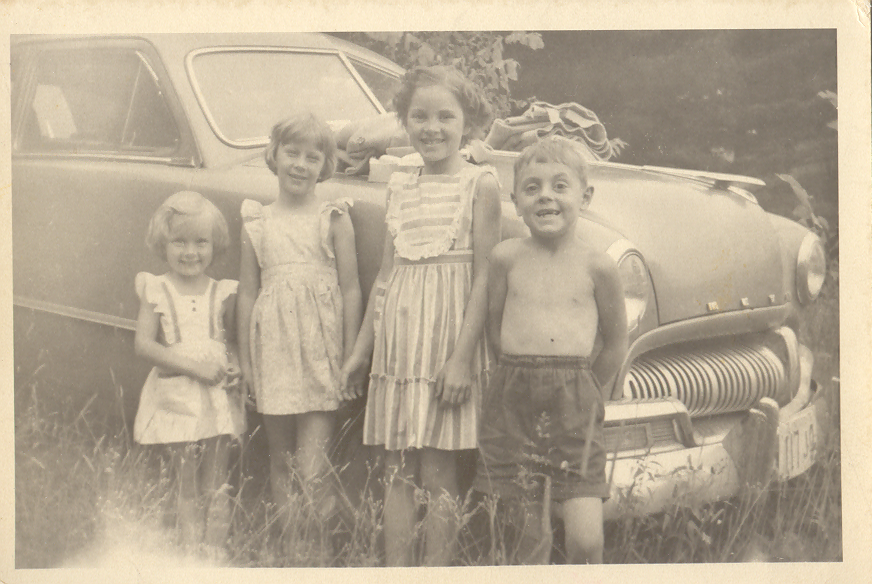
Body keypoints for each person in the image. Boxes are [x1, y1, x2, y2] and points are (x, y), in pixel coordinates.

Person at [339, 65, 501, 566]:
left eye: (445, 117)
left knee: (438, 472)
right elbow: (386, 276)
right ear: (404, 122)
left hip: (447, 343)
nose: (432, 127)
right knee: (396, 469)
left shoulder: (481, 184)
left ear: (467, 124)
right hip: (399, 344)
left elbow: (484, 279)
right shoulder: (400, 183)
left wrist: (461, 360)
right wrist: (360, 351)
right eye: (419, 116)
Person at [472, 136, 629, 564]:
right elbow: (494, 328)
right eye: (532, 187)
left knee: (585, 539)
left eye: (560, 185)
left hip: (575, 399)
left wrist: (587, 388)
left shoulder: (598, 265)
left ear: (586, 196)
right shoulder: (505, 258)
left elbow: (616, 342)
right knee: (526, 536)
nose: (546, 196)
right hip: (513, 395)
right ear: (516, 200)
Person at [236, 112, 362, 551]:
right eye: (292, 152)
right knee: (280, 458)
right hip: (272, 351)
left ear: (325, 165)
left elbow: (350, 290)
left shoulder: (333, 217)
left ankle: (320, 556)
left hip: (320, 352)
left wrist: (350, 356)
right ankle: (293, 552)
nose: (301, 164)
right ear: (274, 154)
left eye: (313, 157)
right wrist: (246, 363)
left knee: (313, 466)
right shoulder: (257, 221)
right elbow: (247, 296)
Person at [133, 191, 245, 556]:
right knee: (185, 480)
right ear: (162, 244)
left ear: (215, 245)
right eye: (179, 241)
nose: (190, 252)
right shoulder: (157, 287)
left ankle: (212, 558)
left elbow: (231, 344)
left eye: (201, 242)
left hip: (215, 397)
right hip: (178, 392)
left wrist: (234, 366)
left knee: (217, 479)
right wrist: (194, 367)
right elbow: (144, 346)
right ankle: (188, 556)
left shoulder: (223, 291)